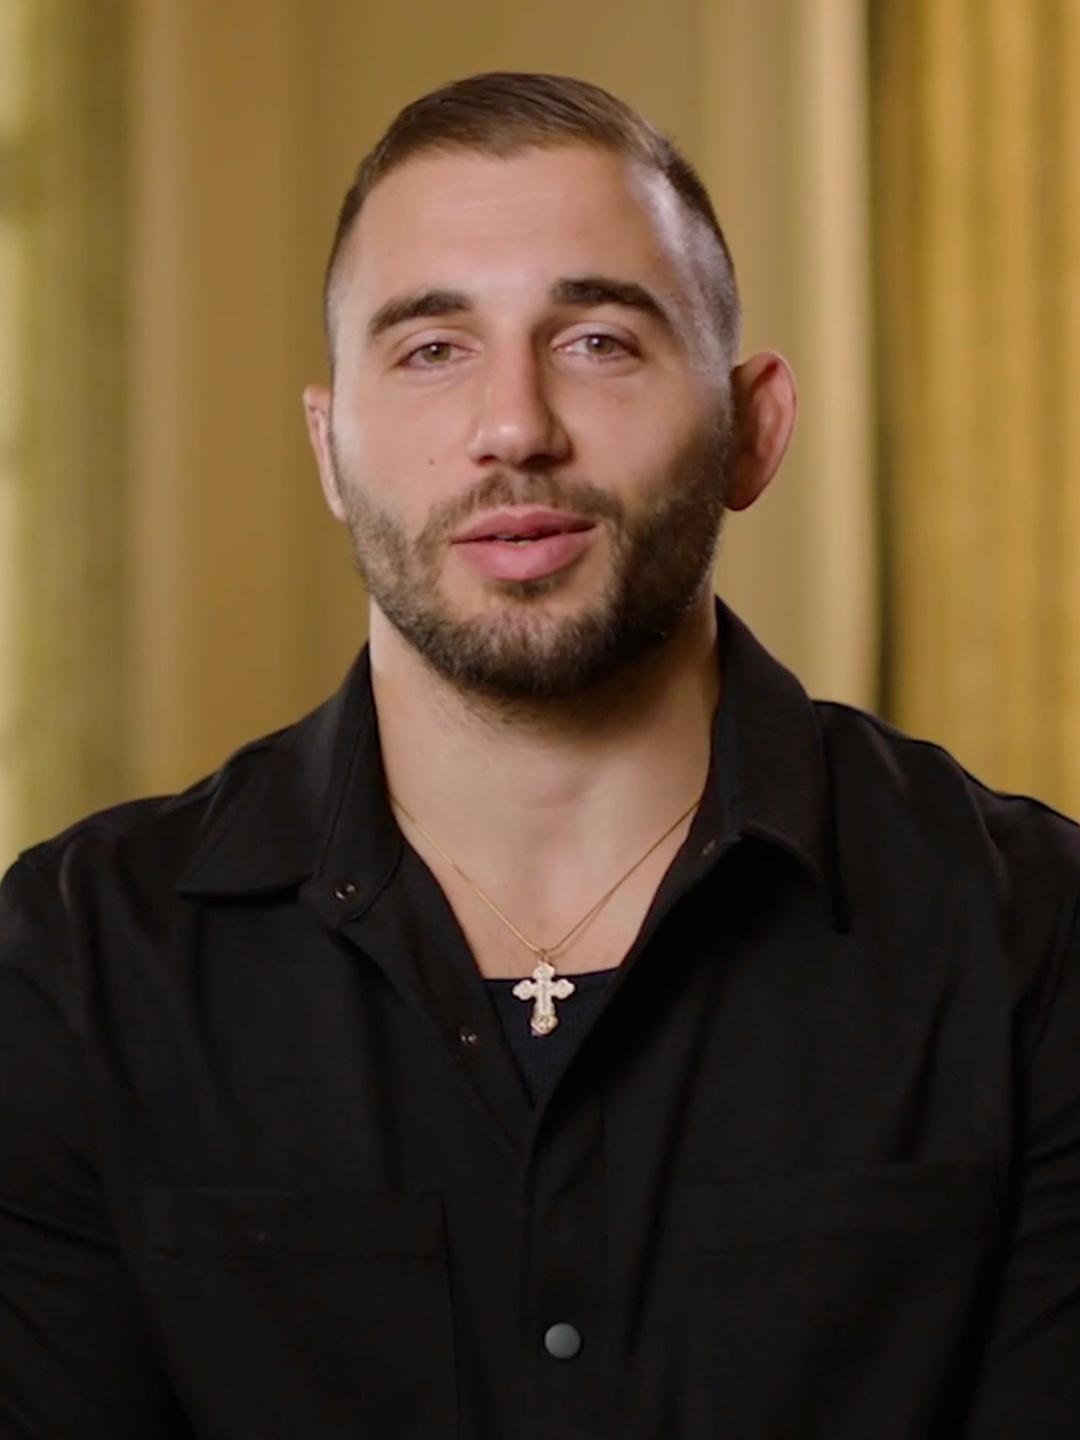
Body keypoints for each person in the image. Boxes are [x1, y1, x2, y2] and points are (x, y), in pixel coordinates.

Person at [1, 70, 1079, 1440]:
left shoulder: (1031, 938)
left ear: (753, 428)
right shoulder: (78, 967)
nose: (514, 426)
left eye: (599, 341)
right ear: (331, 449)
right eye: (431, 350)